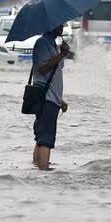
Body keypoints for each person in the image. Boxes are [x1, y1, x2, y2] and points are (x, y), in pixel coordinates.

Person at [32, 24, 70, 170]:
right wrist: (61, 55)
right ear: (51, 25)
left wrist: (60, 100)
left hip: (51, 99)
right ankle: (44, 175)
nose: (62, 27)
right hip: (46, 100)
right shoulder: (42, 43)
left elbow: (52, 76)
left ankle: (37, 170)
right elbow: (42, 69)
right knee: (46, 140)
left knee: (41, 139)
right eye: (59, 24)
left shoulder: (52, 44)